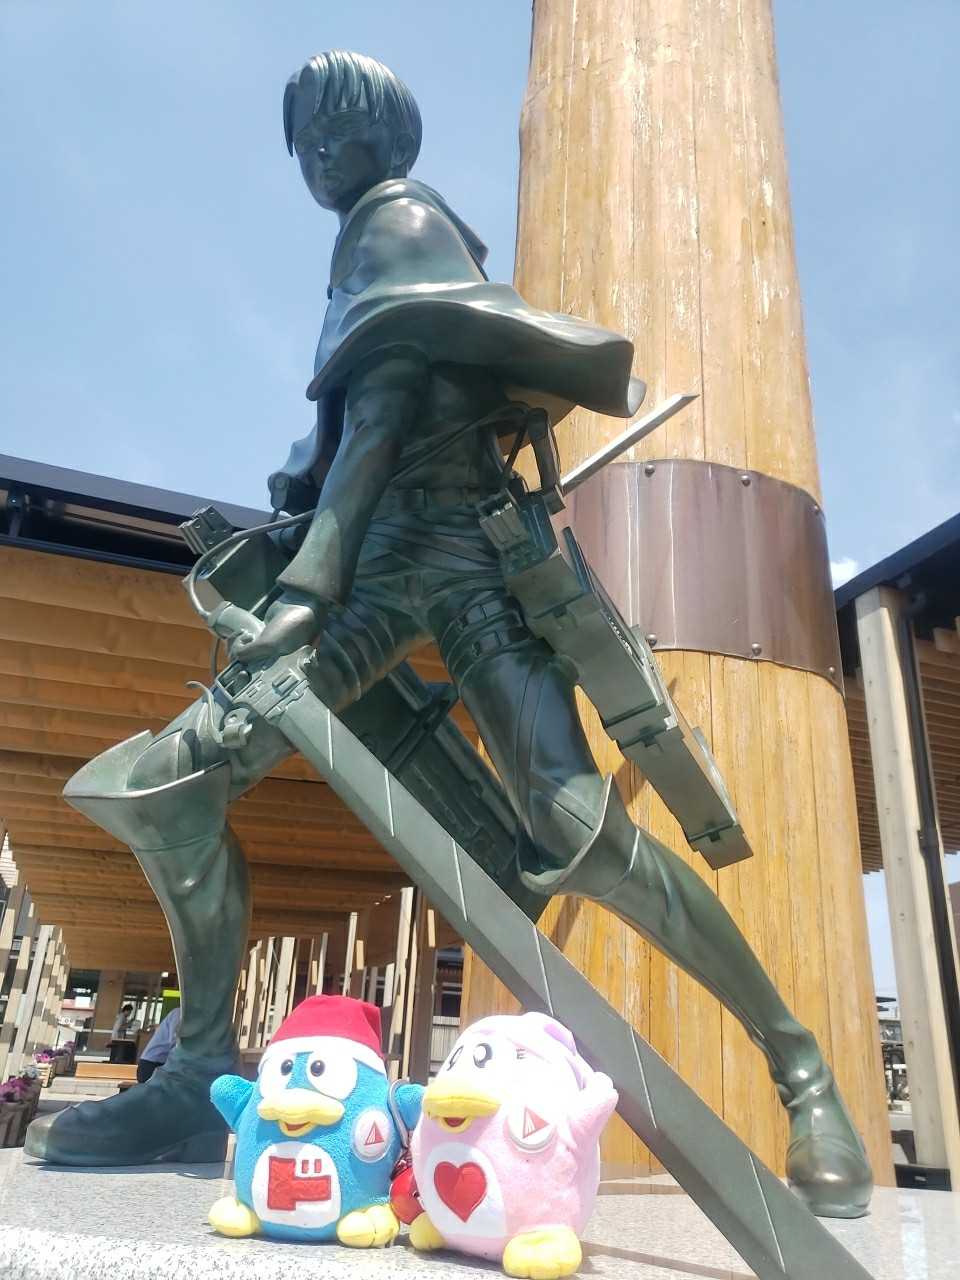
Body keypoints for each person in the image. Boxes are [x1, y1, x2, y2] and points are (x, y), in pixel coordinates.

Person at [26, 50, 872, 1218]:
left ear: (387, 135)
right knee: (176, 783)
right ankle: (197, 1067)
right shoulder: (358, 246)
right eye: (304, 142)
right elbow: (350, 442)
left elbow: (378, 418)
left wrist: (301, 596)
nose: (320, 156)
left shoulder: (401, 222)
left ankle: (802, 1068)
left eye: (338, 132)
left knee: (585, 838)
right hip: (378, 576)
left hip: (467, 570)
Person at [137, 1006, 181, 1084]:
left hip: (161, 1063)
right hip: (152, 1065)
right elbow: (175, 1041)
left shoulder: (188, 1016)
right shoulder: (179, 1013)